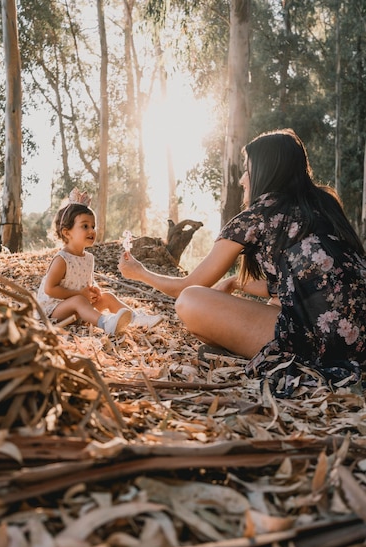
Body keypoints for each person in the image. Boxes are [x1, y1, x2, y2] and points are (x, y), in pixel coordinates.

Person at [119, 128, 366, 396]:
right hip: (358, 337)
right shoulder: (323, 205)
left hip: (320, 343)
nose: (242, 180)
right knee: (267, 305)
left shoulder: (258, 216)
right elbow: (309, 284)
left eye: (247, 170)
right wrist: (236, 281)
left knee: (190, 301)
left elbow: (186, 287)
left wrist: (139, 272)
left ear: (266, 171)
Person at [37, 189, 162, 336]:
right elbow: (50, 289)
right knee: (78, 300)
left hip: (79, 308)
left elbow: (86, 282)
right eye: (85, 226)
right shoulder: (62, 259)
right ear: (67, 232)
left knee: (107, 296)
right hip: (53, 311)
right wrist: (80, 294)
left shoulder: (88, 257)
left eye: (93, 226)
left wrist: (94, 291)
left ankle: (135, 319)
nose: (91, 230)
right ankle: (106, 323)